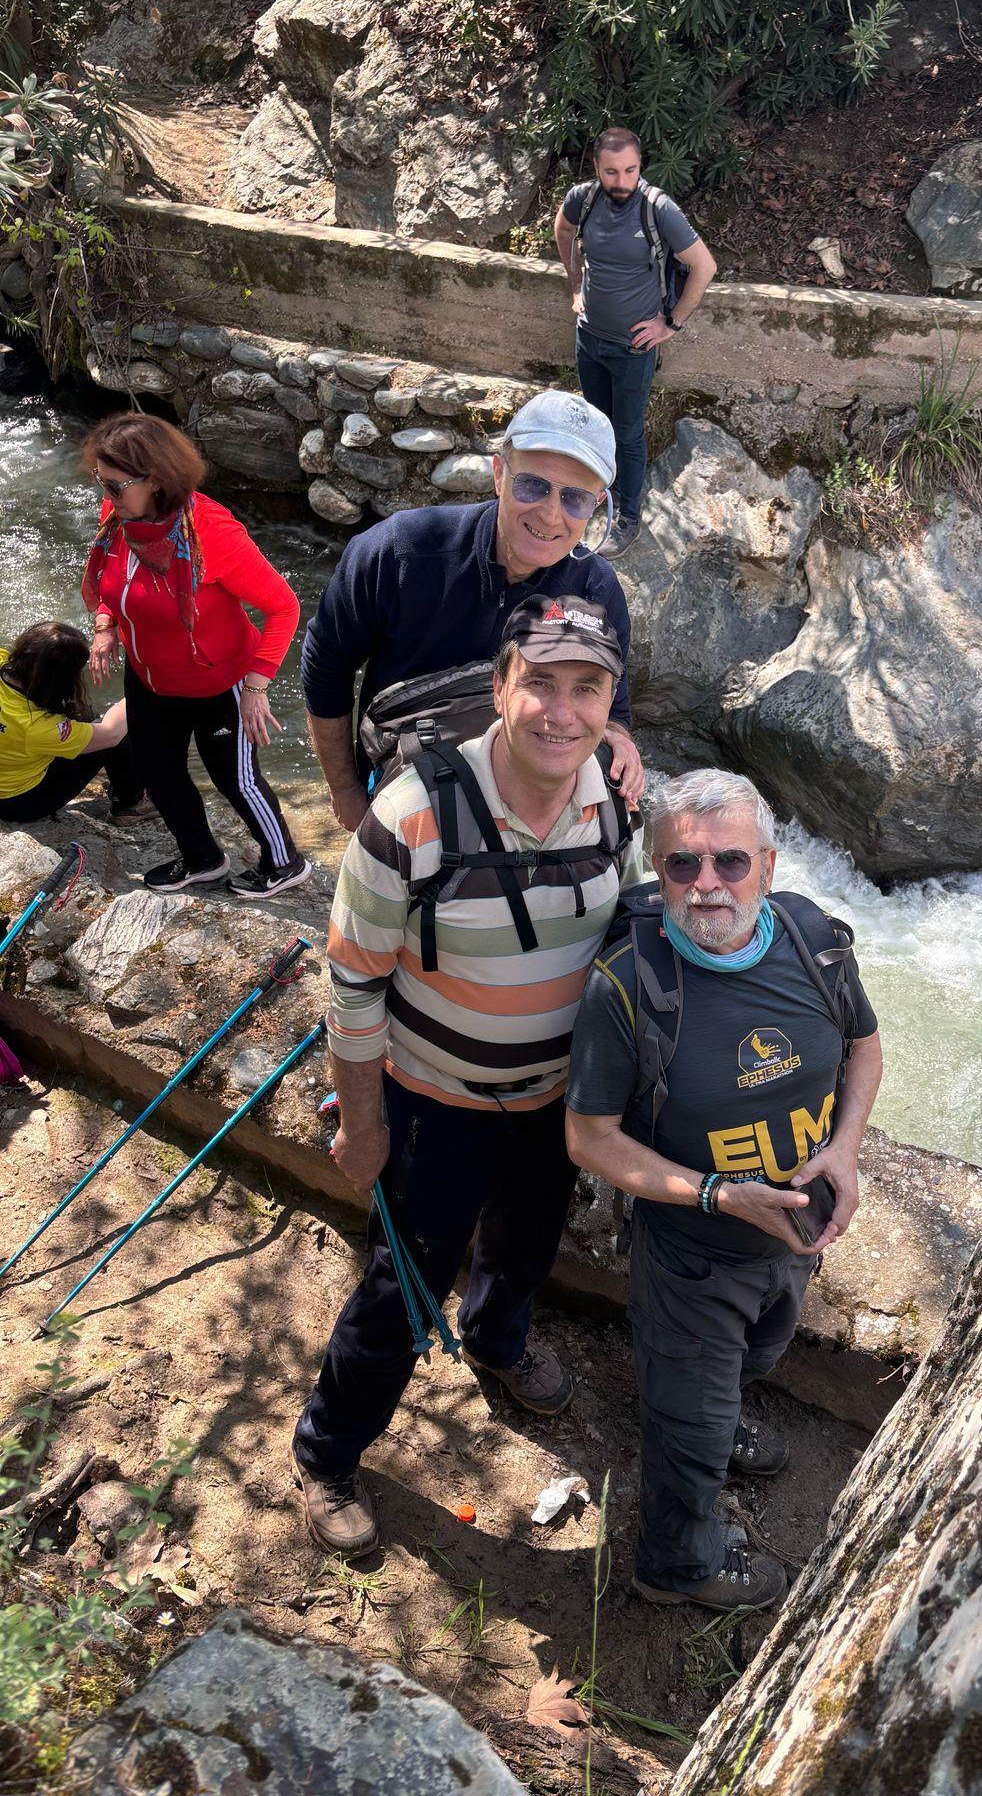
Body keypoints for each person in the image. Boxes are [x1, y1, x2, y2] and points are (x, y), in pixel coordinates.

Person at [291, 594, 647, 1556]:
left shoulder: (614, 801)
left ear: (612, 703)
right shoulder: (409, 819)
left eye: (589, 689)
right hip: (431, 1109)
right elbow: (353, 989)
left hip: (553, 1108)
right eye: (541, 684)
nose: (562, 712)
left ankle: (496, 1342)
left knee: (525, 1246)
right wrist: (363, 1129)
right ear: (501, 687)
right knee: (401, 1291)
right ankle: (326, 1453)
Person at [566, 768, 883, 1614]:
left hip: (794, 1241)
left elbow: (864, 1049)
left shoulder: (814, 942)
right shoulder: (627, 989)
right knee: (689, 1435)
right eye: (680, 867)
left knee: (761, 1357)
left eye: (730, 862)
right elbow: (589, 1138)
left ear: (769, 866)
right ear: (657, 871)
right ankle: (675, 1564)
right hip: (694, 1260)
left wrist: (845, 1151)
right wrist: (714, 1196)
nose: (706, 886)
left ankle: (718, 1411)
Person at [301, 388, 644, 834]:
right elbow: (325, 665)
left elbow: (612, 701)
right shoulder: (398, 551)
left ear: (598, 505)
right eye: (533, 485)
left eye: (575, 498)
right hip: (410, 787)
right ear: (500, 474)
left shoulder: (597, 588)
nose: (550, 515)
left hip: (532, 802)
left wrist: (619, 738)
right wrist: (346, 792)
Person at [81, 411, 309, 899]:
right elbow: (113, 584)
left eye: (116, 485)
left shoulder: (212, 533)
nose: (107, 495)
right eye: (101, 482)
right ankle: (203, 857)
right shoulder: (120, 517)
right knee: (158, 771)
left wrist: (255, 686)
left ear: (157, 480)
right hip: (150, 678)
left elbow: (284, 607)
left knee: (236, 781)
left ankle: (286, 862)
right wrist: (106, 625)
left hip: (218, 682)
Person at [554, 127, 718, 559]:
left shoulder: (657, 208)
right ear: (596, 168)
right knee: (595, 423)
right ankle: (597, 495)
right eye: (612, 172)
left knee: (626, 431)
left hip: (634, 348)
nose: (621, 181)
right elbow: (563, 231)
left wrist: (671, 325)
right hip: (589, 337)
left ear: (640, 166)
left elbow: (704, 266)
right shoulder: (583, 199)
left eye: (630, 170)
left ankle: (627, 517)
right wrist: (575, 287)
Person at [0, 621, 148, 825]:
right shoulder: (36, 726)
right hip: (18, 801)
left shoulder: (3, 661)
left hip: (9, 762)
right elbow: (111, 733)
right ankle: (130, 804)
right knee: (115, 729)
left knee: (83, 718)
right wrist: (142, 686)